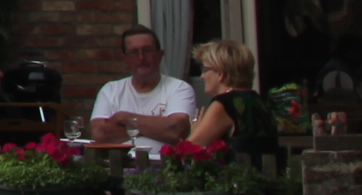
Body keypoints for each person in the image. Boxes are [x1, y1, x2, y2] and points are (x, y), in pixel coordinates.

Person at [86, 25, 197, 153]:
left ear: (160, 55)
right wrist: (156, 130)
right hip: (121, 163)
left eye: (148, 50)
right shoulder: (110, 90)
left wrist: (125, 118)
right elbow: (99, 135)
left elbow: (176, 131)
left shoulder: (179, 88)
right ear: (125, 58)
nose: (141, 58)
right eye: (133, 52)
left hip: (164, 164)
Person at [190, 39, 282, 167]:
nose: (202, 76)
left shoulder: (225, 104)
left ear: (221, 73)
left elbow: (188, 151)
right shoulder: (258, 100)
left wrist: (195, 130)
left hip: (238, 178)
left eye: (205, 69)